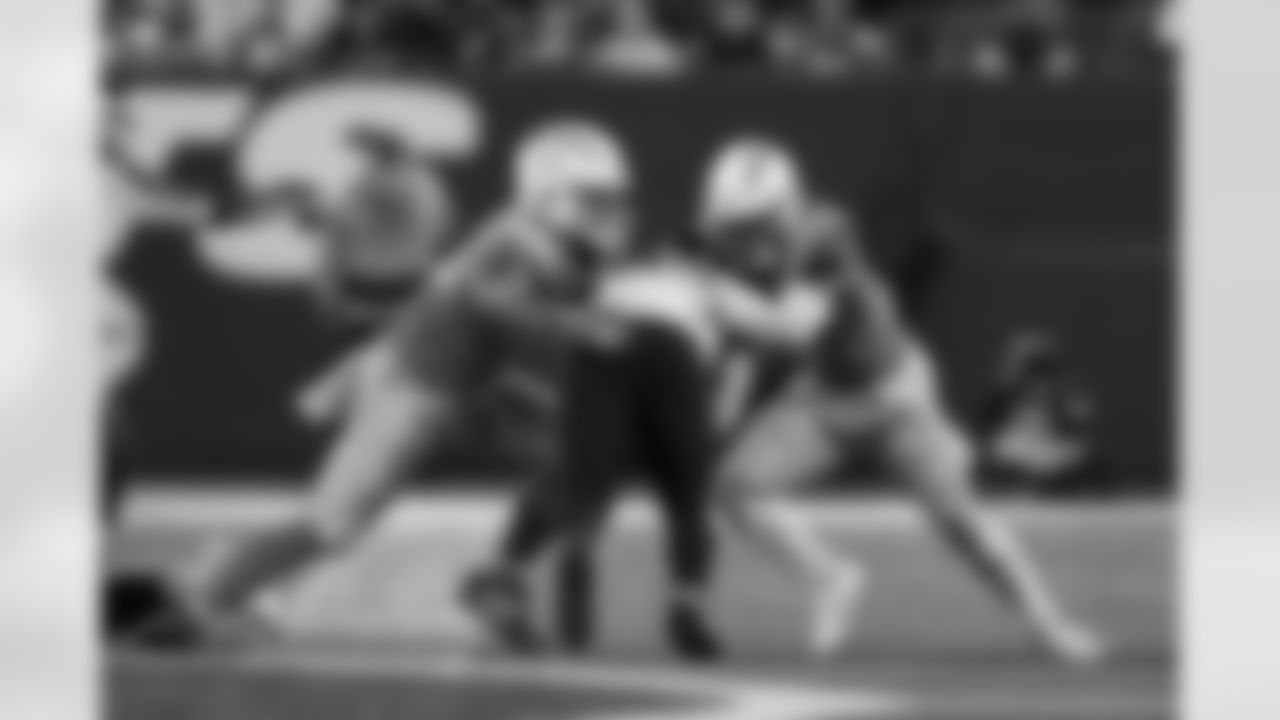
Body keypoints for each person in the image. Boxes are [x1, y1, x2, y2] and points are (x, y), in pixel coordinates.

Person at [156, 119, 639, 646]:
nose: (608, 211)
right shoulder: (523, 239)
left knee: (577, 454)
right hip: (414, 385)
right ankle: (209, 595)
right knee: (331, 524)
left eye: (612, 198)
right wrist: (573, 325)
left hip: (468, 385)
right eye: (593, 198)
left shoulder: (553, 243)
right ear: (545, 193)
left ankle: (498, 577)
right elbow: (492, 303)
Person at [703, 139, 1107, 663]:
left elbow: (794, 328)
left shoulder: (825, 230)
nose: (740, 239)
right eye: (734, 227)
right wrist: (718, 416)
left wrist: (722, 304)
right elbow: (746, 347)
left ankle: (1048, 626)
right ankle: (829, 577)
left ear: (783, 209)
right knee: (734, 485)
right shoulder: (743, 257)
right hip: (822, 397)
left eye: (750, 225)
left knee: (963, 522)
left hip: (894, 397)